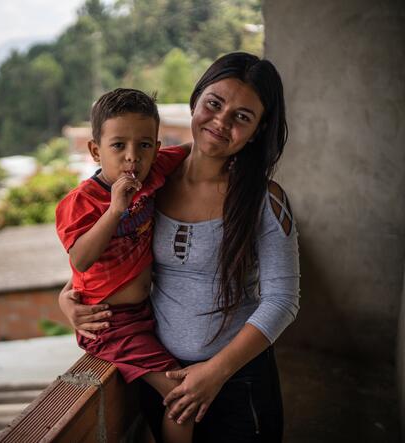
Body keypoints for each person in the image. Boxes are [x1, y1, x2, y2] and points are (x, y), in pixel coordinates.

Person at [59, 52, 300, 442]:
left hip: (238, 383)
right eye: (214, 103)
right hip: (164, 373)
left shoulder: (264, 200)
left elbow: (282, 301)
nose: (221, 122)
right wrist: (68, 300)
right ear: (196, 100)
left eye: (242, 116)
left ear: (258, 129)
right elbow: (105, 257)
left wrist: (215, 372)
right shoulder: (148, 180)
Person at [55, 87, 193, 442]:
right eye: (118, 146)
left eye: (144, 145)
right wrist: (115, 210)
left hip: (147, 312)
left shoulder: (155, 170)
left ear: (157, 148)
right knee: (182, 394)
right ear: (95, 150)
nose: (133, 158)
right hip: (111, 325)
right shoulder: (81, 202)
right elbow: (81, 259)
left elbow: (198, 149)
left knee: (163, 395)